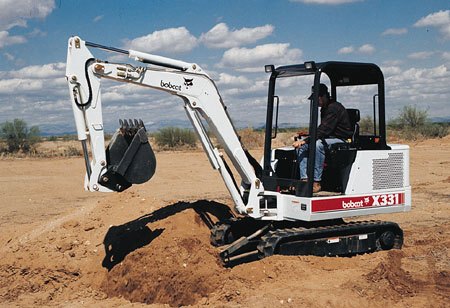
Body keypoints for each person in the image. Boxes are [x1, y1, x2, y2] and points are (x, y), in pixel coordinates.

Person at [292, 83, 353, 193]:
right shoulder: (324, 109)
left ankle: (316, 182)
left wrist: (305, 140)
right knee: (303, 147)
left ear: (324, 96)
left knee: (317, 145)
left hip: (341, 140)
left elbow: (324, 131)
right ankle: (305, 180)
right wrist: (307, 134)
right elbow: (323, 128)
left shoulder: (334, 108)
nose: (316, 102)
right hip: (329, 138)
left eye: (317, 99)